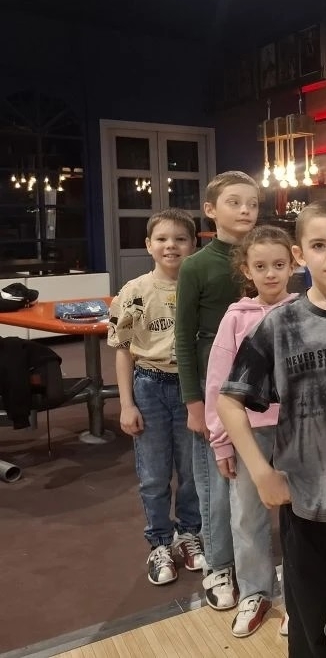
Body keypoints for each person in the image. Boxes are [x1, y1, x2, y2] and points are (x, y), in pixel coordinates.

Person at [217, 200, 326, 658]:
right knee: (307, 613)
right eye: (320, 245)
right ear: (299, 254)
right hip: (304, 497)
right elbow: (229, 400)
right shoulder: (280, 325)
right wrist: (261, 473)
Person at [204, 225, 297, 637]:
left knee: (302, 515)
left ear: (293, 264)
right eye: (261, 266)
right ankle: (255, 592)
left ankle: (298, 595)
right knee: (246, 514)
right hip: (248, 433)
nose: (270, 273)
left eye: (278, 264)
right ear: (247, 269)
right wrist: (221, 441)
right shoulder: (235, 318)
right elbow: (218, 383)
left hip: (298, 431)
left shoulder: (304, 311)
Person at [176, 170, 260, 610]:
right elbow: (183, 337)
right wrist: (194, 402)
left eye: (253, 203)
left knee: (251, 480)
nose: (245, 210)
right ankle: (218, 562)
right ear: (210, 209)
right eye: (234, 202)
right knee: (215, 481)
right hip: (215, 381)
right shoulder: (196, 265)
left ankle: (253, 566)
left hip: (259, 381)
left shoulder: (265, 256)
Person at [108, 209, 205, 585]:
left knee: (193, 470)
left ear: (193, 245)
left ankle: (189, 533)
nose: (171, 246)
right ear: (148, 245)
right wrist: (126, 404)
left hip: (191, 388)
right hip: (149, 385)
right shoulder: (134, 291)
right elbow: (122, 349)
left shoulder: (200, 288)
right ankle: (160, 542)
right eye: (162, 239)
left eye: (180, 239)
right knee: (153, 473)